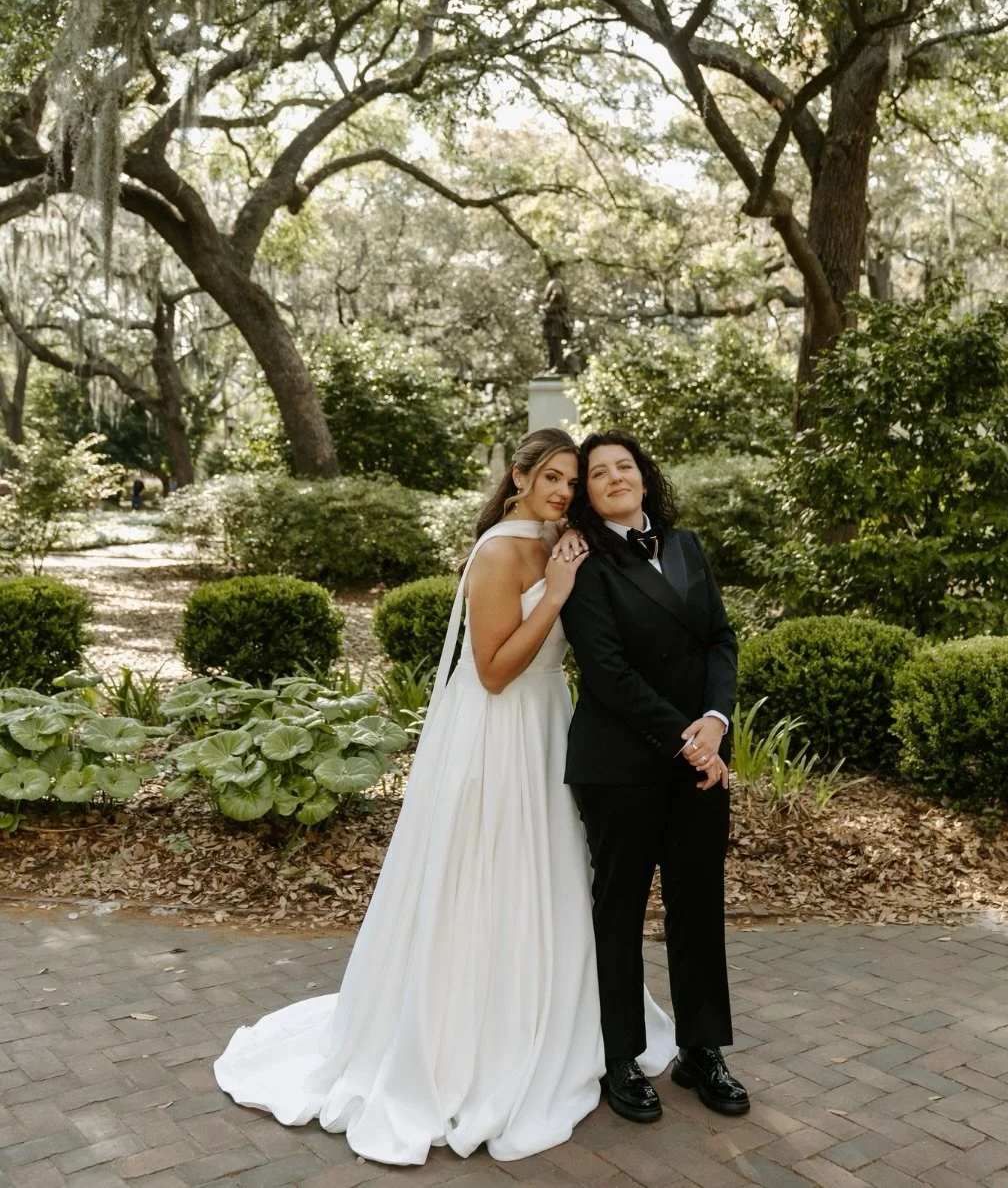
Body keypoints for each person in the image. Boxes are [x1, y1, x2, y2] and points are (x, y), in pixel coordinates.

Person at [214, 428, 676, 1165]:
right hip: (497, 731)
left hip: (549, 725)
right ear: (518, 477)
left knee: (547, 875)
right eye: (550, 477)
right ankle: (466, 1040)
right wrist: (554, 595)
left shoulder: (566, 536)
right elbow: (494, 671)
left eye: (571, 479)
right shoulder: (498, 552)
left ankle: (555, 1019)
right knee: (483, 876)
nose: (561, 491)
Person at [562, 429, 748, 1124]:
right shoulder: (582, 561)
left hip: (700, 755)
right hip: (621, 765)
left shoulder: (687, 545)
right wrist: (688, 741)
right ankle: (620, 1059)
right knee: (619, 909)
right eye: (599, 472)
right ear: (586, 492)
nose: (615, 477)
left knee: (698, 904)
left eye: (625, 466)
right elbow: (606, 672)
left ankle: (703, 1051)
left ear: (645, 476)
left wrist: (715, 722)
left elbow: (721, 640)